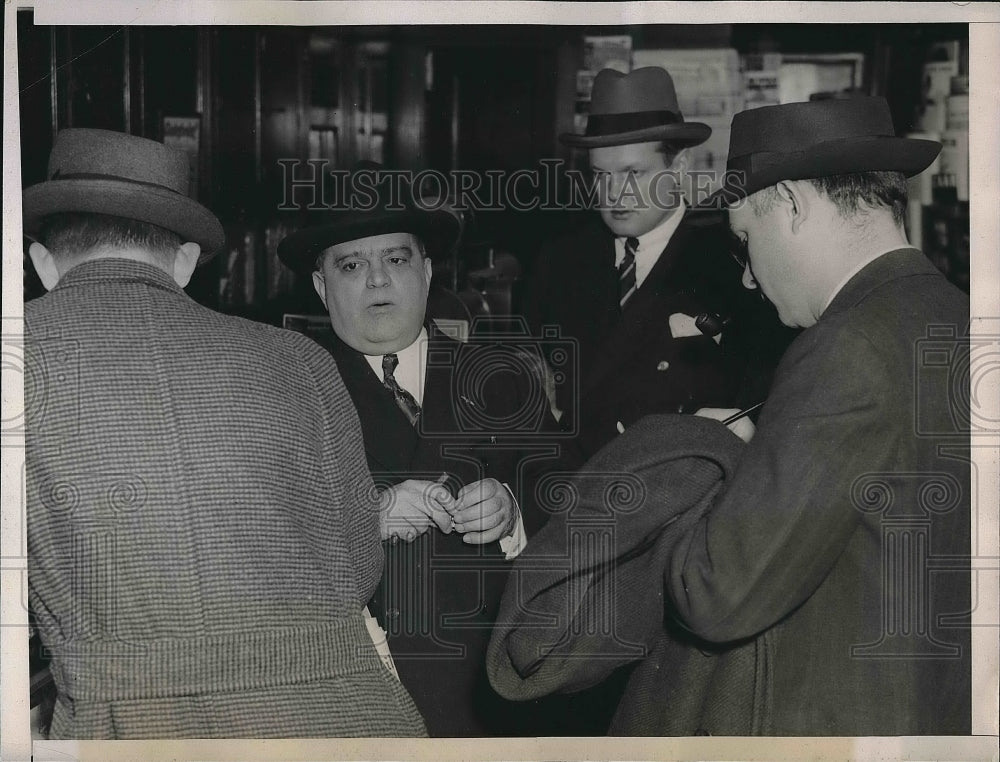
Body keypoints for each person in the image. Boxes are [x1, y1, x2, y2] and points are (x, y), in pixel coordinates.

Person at [487, 96, 971, 735]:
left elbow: (715, 593)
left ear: (792, 204)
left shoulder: (842, 348)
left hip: (831, 723)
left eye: (745, 239)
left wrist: (686, 471)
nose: (746, 279)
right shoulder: (953, 315)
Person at [23, 129, 425, 739]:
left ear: (42, 264)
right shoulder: (301, 360)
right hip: (347, 718)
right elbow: (359, 564)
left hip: (132, 725)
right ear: (186, 262)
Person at [277, 170, 579, 736]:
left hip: (497, 694)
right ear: (321, 287)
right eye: (351, 266)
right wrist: (367, 518)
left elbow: (570, 497)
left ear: (428, 271)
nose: (377, 279)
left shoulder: (502, 378)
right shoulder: (290, 393)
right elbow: (262, 542)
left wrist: (513, 510)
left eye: (396, 259)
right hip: (361, 699)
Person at [522, 66, 794, 459]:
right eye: (600, 175)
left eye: (633, 173)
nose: (614, 194)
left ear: (679, 167)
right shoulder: (560, 260)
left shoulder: (734, 264)